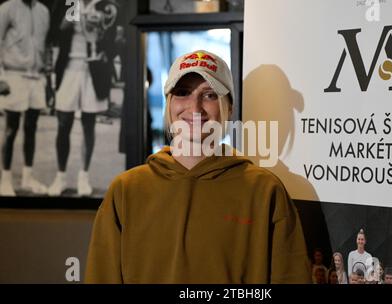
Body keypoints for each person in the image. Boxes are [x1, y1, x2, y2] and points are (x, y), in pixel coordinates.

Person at [84, 50, 312, 283]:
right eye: (182, 93)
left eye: (209, 95)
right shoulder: (126, 190)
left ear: (229, 107)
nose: (195, 108)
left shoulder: (265, 190)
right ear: (169, 104)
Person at [48, 0, 119, 196]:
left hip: (94, 69)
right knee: (64, 123)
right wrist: (75, 14)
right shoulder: (69, 3)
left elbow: (113, 40)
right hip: (69, 66)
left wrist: (102, 37)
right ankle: (60, 177)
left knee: (89, 124)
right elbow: (56, 30)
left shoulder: (106, 5)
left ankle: (83, 177)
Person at [0, 0, 50, 196]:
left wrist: (47, 80)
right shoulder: (7, 8)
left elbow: (44, 46)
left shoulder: (43, 11)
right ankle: (5, 180)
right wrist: (1, 77)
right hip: (14, 75)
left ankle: (27, 178)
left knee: (32, 128)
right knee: (11, 129)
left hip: (36, 77)